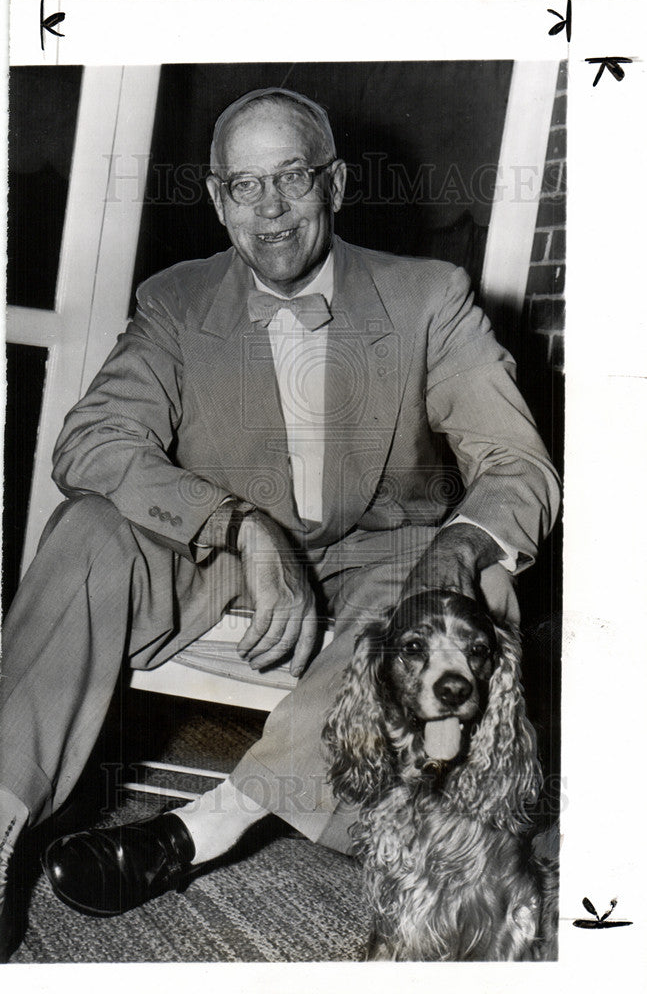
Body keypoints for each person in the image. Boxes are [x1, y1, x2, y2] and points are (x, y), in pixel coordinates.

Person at [0, 88, 560, 956]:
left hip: (387, 544)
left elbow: (515, 464)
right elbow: (94, 440)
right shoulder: (175, 301)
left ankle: (203, 827)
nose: (269, 209)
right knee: (86, 530)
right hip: (230, 544)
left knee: (465, 582)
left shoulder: (426, 296)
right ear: (218, 199)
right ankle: (0, 823)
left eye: (292, 178)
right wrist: (237, 526)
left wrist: (455, 543)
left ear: (332, 184)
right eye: (244, 185)